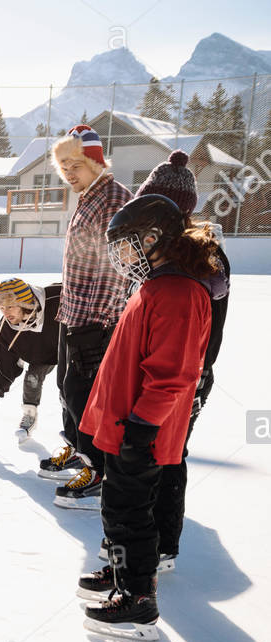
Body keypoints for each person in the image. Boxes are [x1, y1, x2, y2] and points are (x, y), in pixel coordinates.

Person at [76, 194, 225, 640]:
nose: (123, 256)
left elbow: (174, 373)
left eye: (128, 243)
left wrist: (142, 428)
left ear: (154, 238)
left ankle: (137, 599)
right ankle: (123, 573)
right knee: (120, 507)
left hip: (142, 427)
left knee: (129, 511)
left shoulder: (177, 291)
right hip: (127, 421)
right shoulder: (157, 285)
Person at [128, 151, 231, 571]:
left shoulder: (198, 258)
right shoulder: (162, 254)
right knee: (152, 454)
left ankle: (163, 543)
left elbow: (191, 326)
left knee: (168, 454)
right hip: (162, 370)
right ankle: (142, 536)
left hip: (187, 375)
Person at [43, 125, 133, 509]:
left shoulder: (113, 199)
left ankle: (98, 470)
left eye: (74, 164)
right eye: (62, 166)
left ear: (96, 161)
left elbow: (121, 265)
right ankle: (79, 453)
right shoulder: (89, 195)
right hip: (75, 311)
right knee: (67, 390)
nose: (68, 172)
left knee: (85, 394)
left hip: (95, 317)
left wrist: (100, 319)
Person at [0, 278, 61, 440]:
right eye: (1, 307)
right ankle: (30, 415)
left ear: (25, 303)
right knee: (32, 378)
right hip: (42, 356)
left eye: (10, 306)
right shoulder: (7, 328)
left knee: (69, 389)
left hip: (70, 348)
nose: (5, 312)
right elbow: (2, 366)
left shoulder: (57, 300)